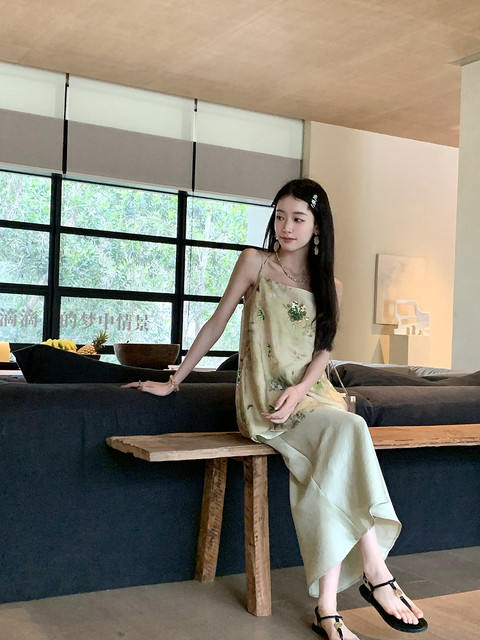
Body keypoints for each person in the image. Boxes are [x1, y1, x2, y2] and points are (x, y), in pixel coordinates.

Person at [123, 179, 428, 640]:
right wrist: (174, 381)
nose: (287, 227)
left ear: (317, 227)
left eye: (298, 219)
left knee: (341, 443)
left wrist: (302, 388)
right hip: (264, 401)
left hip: (312, 396)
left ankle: (329, 609)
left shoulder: (331, 286)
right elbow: (217, 322)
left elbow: (324, 351)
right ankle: (375, 573)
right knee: (349, 430)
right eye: (281, 217)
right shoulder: (255, 263)